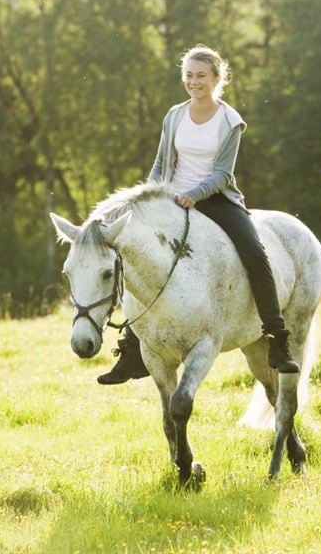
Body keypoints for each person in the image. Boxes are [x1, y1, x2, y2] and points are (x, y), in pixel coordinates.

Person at [97, 45, 299, 385]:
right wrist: (147, 200)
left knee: (255, 252)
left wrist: (194, 195)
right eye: (188, 75)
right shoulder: (174, 115)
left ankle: (277, 339)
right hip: (170, 199)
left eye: (201, 75)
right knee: (137, 258)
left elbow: (222, 173)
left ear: (217, 79)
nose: (194, 81)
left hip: (217, 200)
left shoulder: (230, 120)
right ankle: (132, 349)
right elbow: (162, 164)